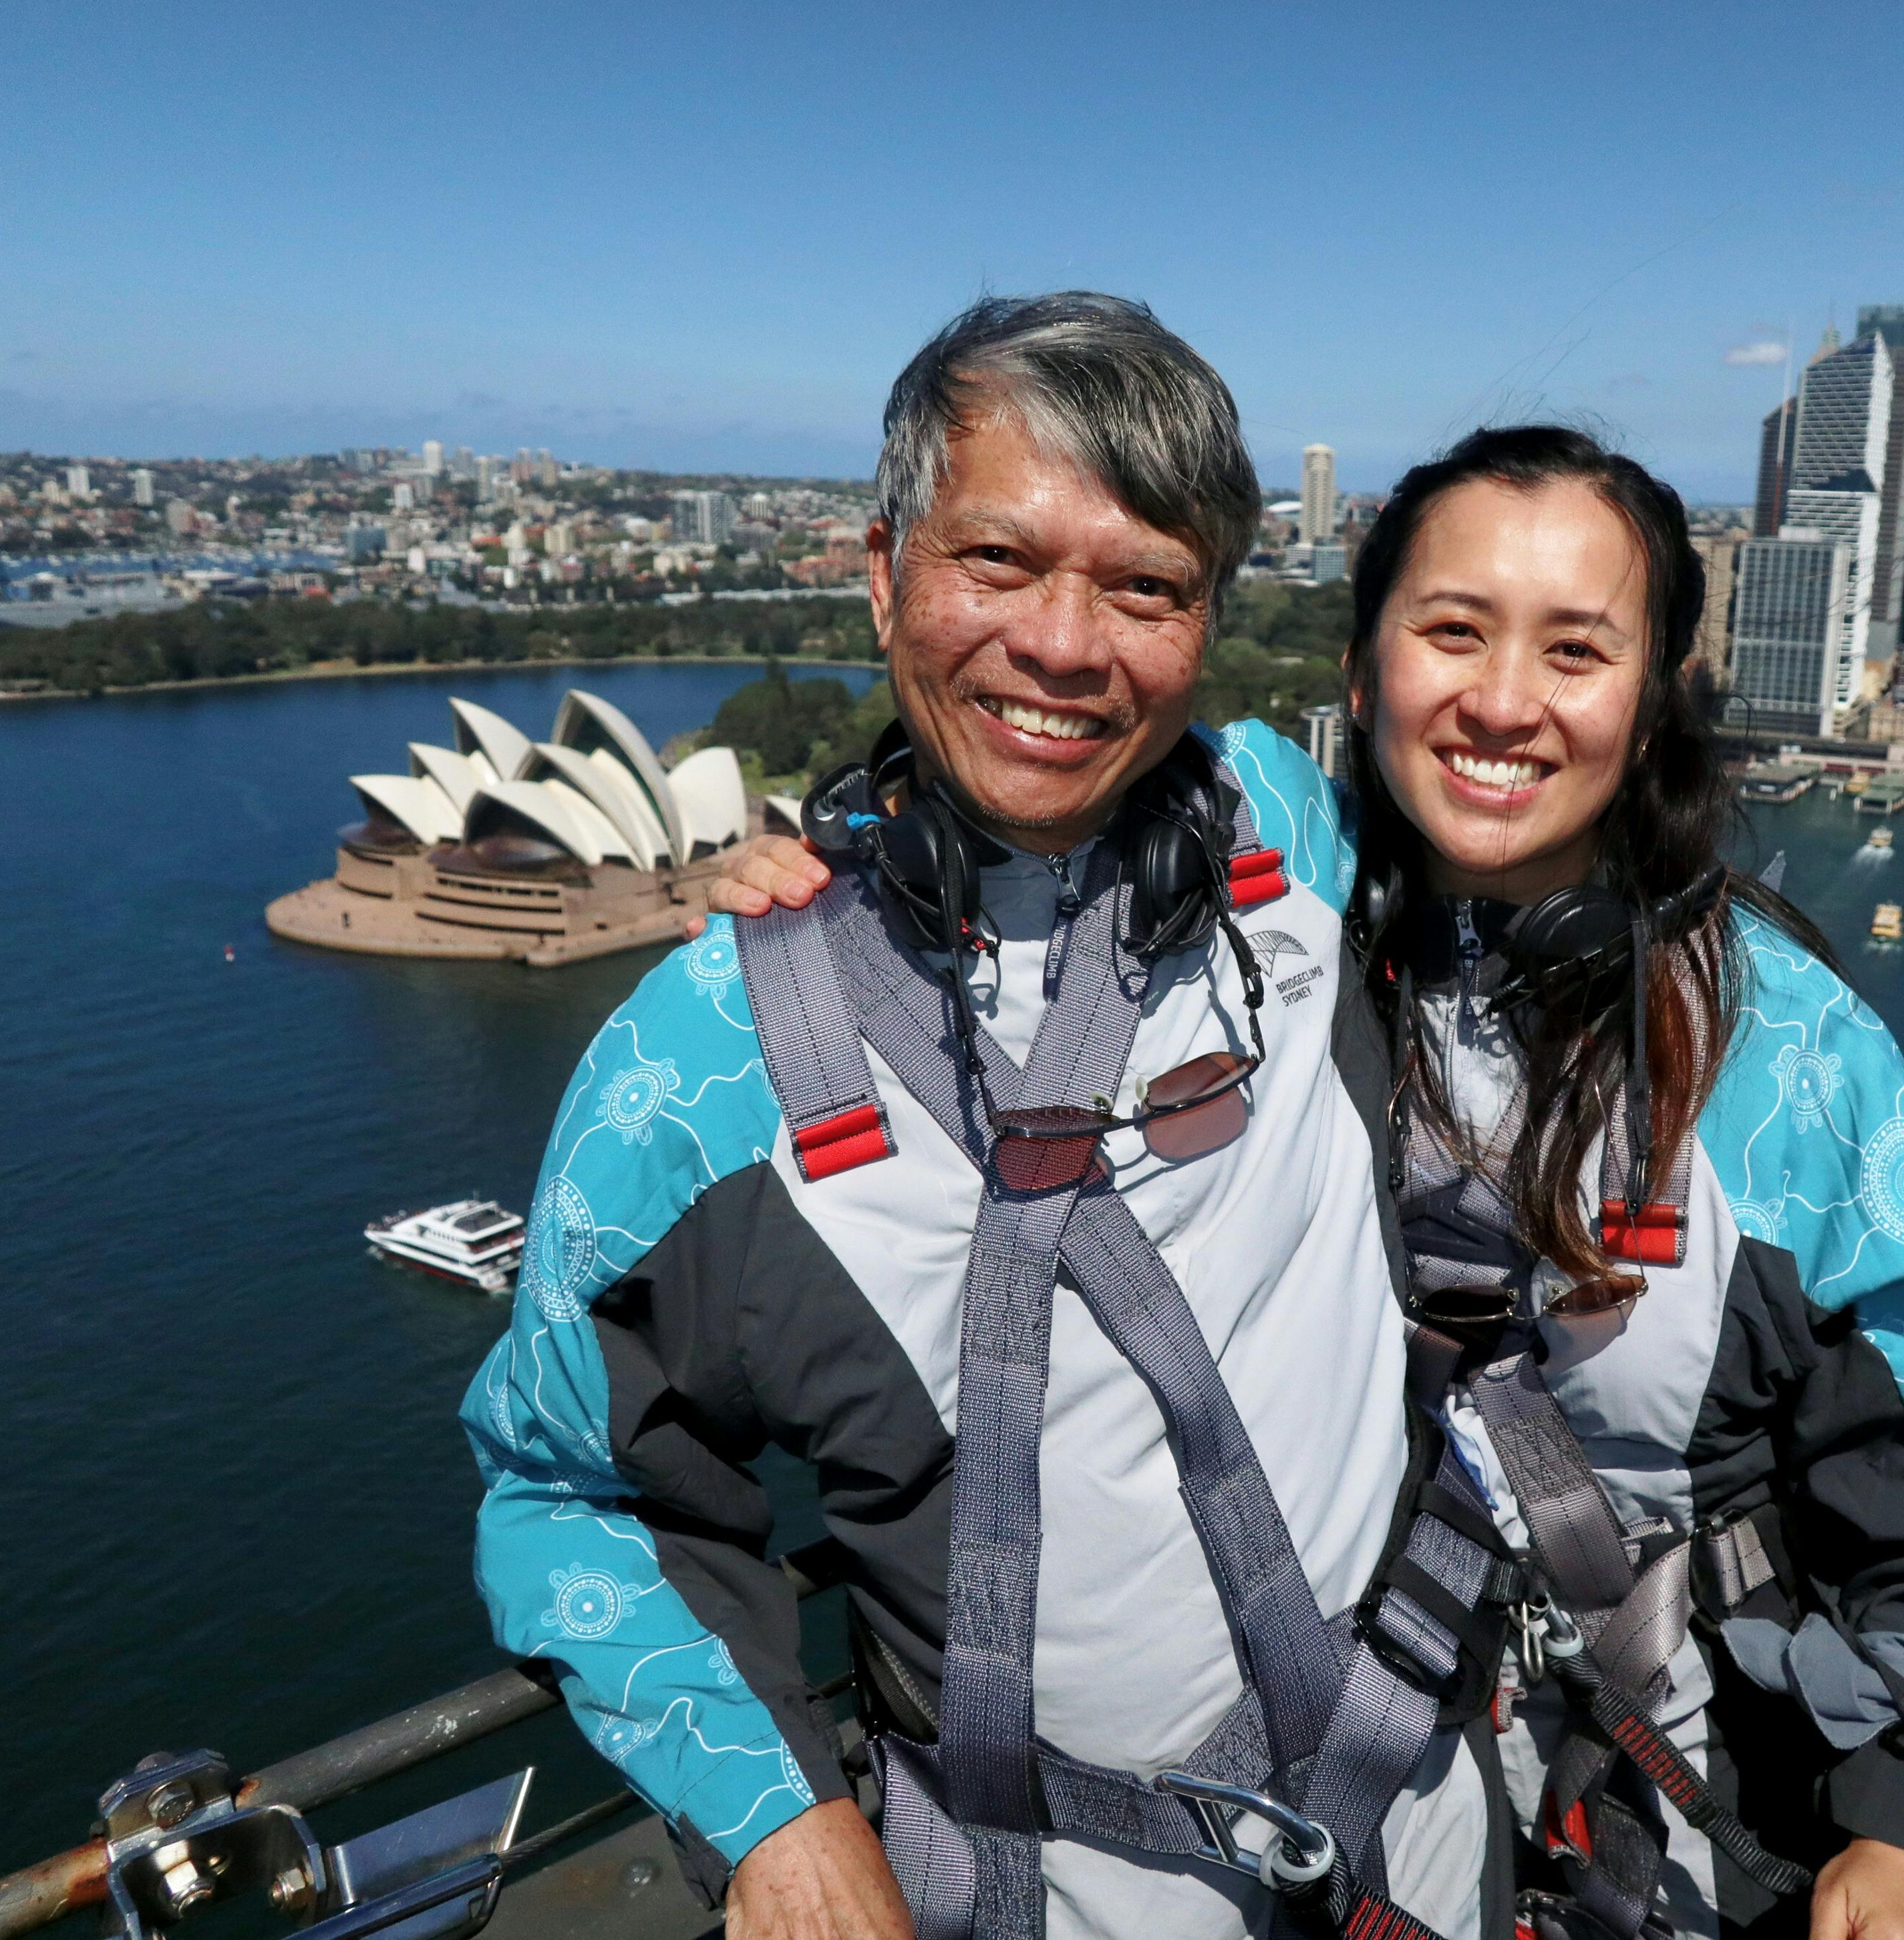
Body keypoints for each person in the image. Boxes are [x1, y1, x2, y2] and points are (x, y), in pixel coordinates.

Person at [708, 428, 1904, 1940]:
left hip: (1693, 1785)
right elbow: (1052, 753)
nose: (1502, 702)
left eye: (1575, 651)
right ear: (1359, 671)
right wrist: (843, 885)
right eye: (1451, 631)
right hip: (1366, 1785)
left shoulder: (1777, 1053)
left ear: (1649, 704)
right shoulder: (1266, 933)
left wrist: (1892, 1823)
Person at [462, 293, 1515, 1940]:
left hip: (1435, 1838)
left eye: (1147, 588)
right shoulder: (704, 1067)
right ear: (883, 574)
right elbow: (560, 1488)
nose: (1067, 647)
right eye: (998, 564)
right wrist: (780, 1820)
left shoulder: (1290, 834)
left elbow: (1567, 836)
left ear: (1210, 621)